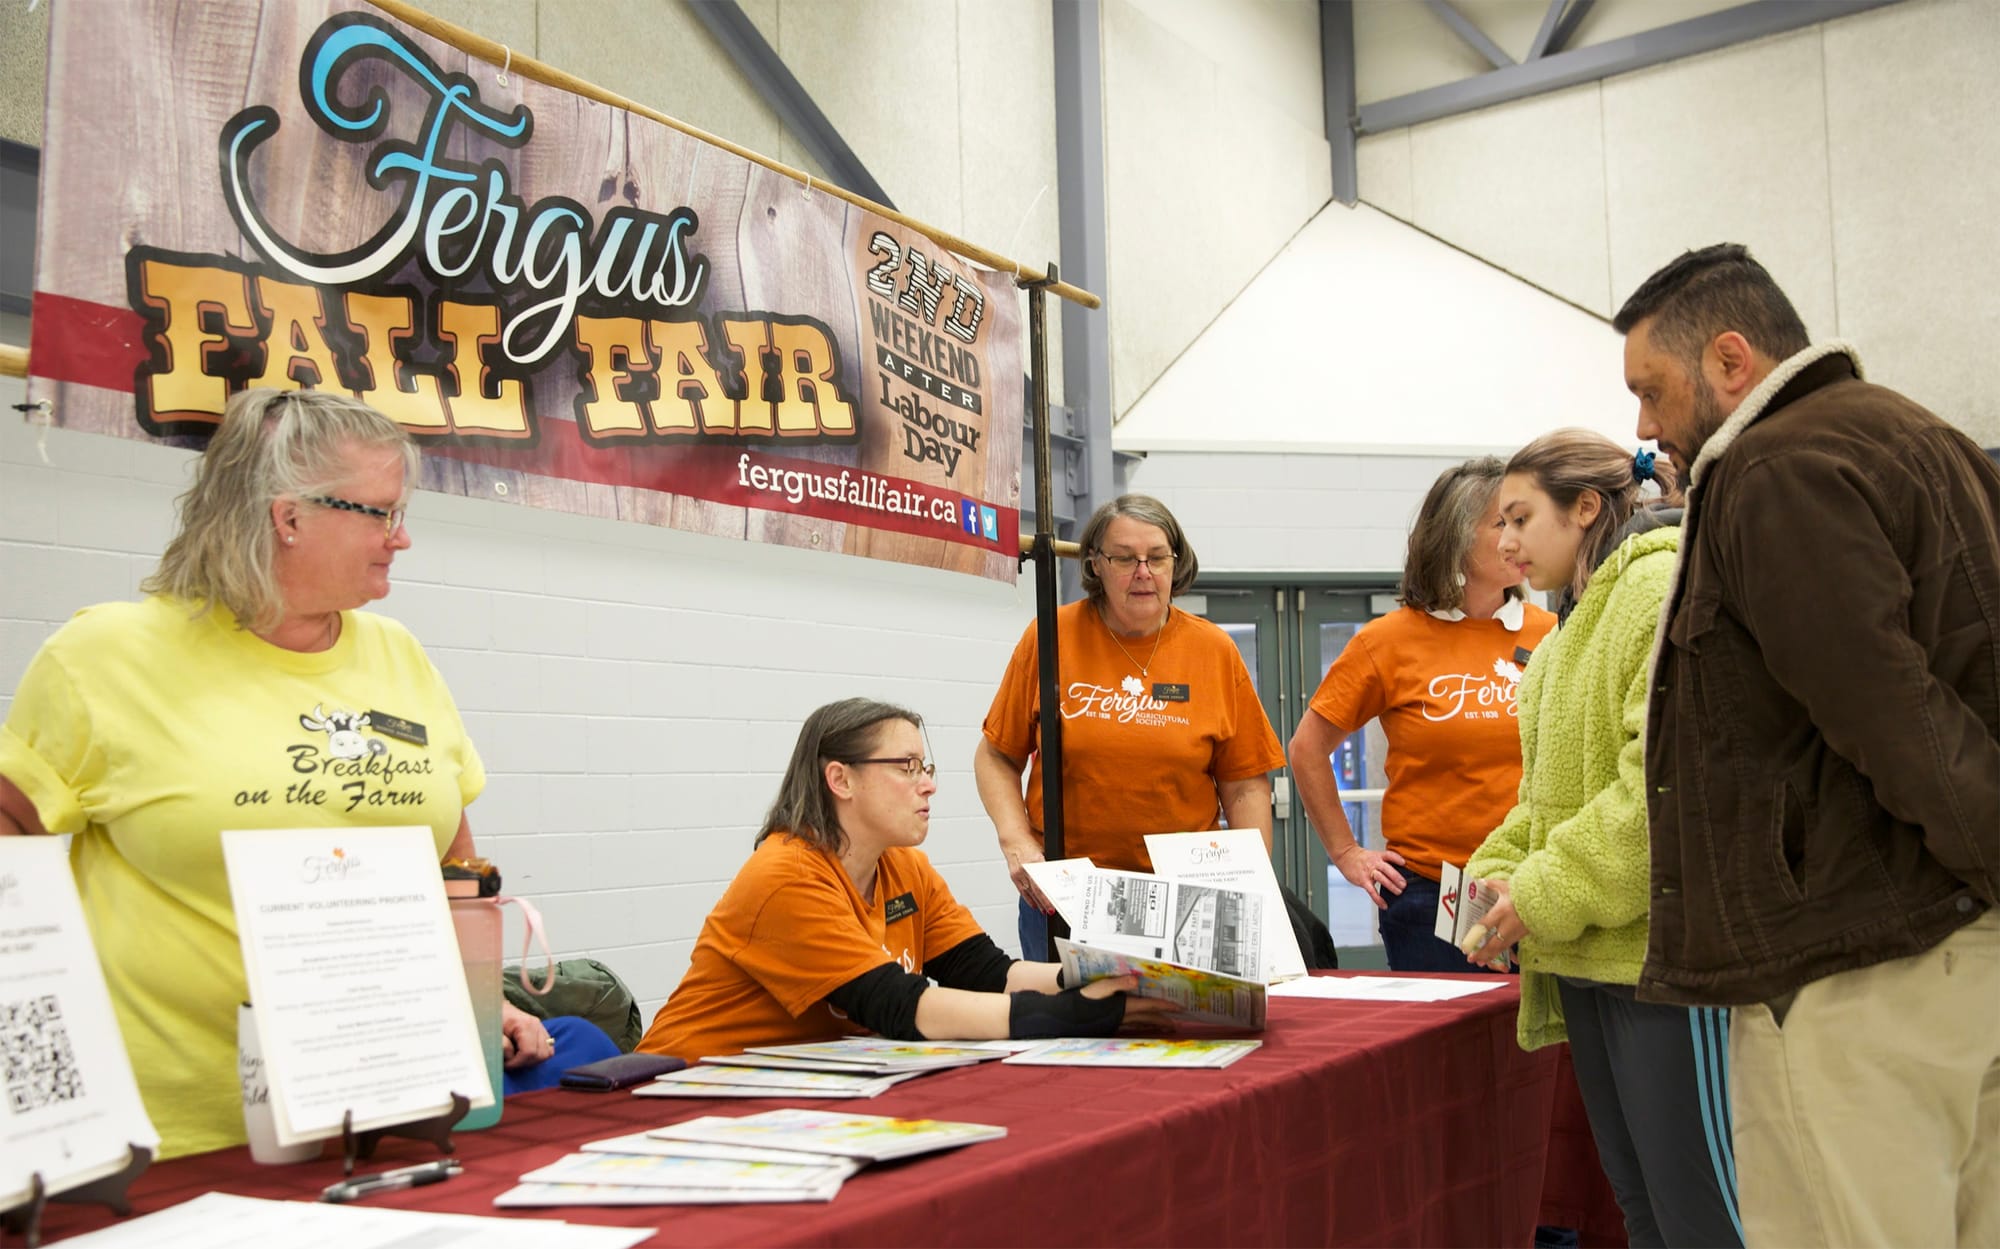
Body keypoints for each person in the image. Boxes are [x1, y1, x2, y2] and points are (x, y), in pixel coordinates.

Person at [0, 388, 556, 1158]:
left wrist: (482, 1001)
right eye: (383, 513)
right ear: (287, 516)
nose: (401, 539)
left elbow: (455, 868)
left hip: (383, 1117)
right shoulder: (104, 656)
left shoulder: (397, 655)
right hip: (179, 1134)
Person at [1615, 244, 2000, 1247]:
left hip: (1859, 969)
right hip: (1956, 954)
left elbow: (1888, 710)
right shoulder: (1931, 437)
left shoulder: (1771, 469)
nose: (1644, 426)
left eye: (1651, 390)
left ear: (1729, 359)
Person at [1461, 430, 1740, 1249]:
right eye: (1500, 523)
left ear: (1585, 507)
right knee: (1642, 1211)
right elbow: (1545, 799)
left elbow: (1660, 792)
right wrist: (1496, 875)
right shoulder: (1564, 634)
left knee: (1703, 1219)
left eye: (1520, 518)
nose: (1505, 543)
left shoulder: (1659, 589)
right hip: (1586, 955)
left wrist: (1539, 892)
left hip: (1661, 961)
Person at [638, 699, 1170, 1062]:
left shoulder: (904, 867)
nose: (929, 785)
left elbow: (989, 974)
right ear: (840, 779)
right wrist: (1074, 1012)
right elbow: (902, 1008)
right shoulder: (786, 875)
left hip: (786, 1088)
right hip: (683, 1084)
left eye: (926, 767)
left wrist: (1118, 975)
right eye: (907, 767)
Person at [975, 495, 1287, 959]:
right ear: (1096, 564)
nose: (1143, 572)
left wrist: (1250, 885)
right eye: (1124, 558)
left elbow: (1244, 785)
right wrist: (1015, 840)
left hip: (1184, 900)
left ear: (1176, 563)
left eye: (1157, 557)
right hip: (1069, 894)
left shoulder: (1213, 650)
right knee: (1064, 1009)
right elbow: (996, 755)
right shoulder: (1050, 636)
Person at [1289, 457, 1556, 971]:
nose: (1517, 538)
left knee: (1541, 1027)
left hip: (1534, 886)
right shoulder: (1388, 641)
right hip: (1431, 894)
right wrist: (1347, 853)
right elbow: (1307, 749)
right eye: (1502, 523)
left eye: (1523, 521)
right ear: (1456, 536)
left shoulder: (1550, 632)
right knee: (1454, 1027)